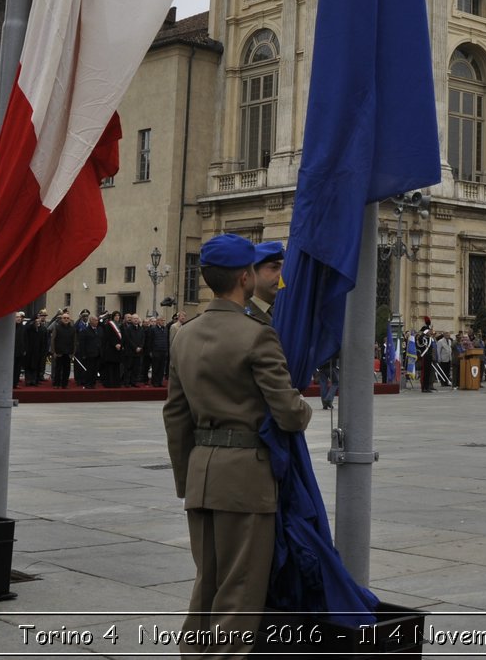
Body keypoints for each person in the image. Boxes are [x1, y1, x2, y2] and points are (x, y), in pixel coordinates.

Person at [163, 233, 311, 656]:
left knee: (206, 585)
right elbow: (287, 411)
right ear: (245, 277)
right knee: (240, 592)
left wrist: (186, 479)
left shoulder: (183, 335)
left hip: (202, 475)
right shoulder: (257, 335)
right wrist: (304, 409)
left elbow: (175, 416)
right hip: (246, 478)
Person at [250, 240, 285, 323]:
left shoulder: (284, 311)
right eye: (274, 267)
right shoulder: (242, 313)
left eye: (285, 267)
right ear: (253, 272)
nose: (282, 274)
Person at [49, 309, 76, 389]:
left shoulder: (72, 329)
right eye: (64, 318)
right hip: (59, 352)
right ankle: (56, 384)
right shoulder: (57, 327)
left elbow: (74, 341)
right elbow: (53, 340)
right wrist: (53, 352)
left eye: (67, 318)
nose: (66, 319)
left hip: (68, 353)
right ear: (61, 319)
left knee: (67, 369)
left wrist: (73, 353)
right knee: (58, 369)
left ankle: (64, 384)